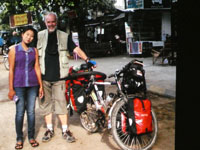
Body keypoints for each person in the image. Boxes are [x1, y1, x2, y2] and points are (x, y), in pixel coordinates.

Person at [37, 12, 91, 143]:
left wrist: (87, 59)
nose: (51, 24)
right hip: (43, 78)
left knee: (62, 104)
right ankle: (49, 129)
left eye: (53, 21)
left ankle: (65, 130)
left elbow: (76, 49)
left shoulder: (64, 36)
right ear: (45, 23)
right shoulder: (39, 36)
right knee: (46, 105)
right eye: (48, 22)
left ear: (56, 21)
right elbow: (30, 51)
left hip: (60, 77)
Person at [8, 26, 44, 149]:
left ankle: (31, 137)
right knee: (19, 113)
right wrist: (11, 89)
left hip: (33, 85)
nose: (29, 38)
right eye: (27, 34)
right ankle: (19, 138)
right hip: (18, 86)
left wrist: (41, 86)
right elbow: (11, 70)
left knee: (31, 112)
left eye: (32, 36)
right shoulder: (14, 50)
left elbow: (37, 67)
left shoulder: (34, 50)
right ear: (22, 34)